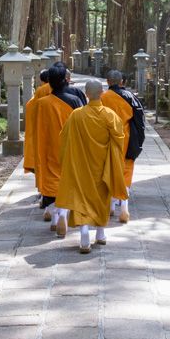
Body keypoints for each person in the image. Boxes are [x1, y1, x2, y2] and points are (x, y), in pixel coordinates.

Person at [56, 79, 128, 254]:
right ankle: (101, 234)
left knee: (82, 199)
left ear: (86, 94)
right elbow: (120, 139)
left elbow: (64, 139)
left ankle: (84, 234)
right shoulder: (110, 115)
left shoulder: (76, 115)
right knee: (102, 199)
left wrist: (69, 158)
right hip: (103, 167)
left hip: (81, 167)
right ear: (102, 93)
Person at [31, 63, 84, 235]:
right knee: (68, 181)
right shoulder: (75, 101)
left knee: (52, 183)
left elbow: (36, 130)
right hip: (69, 148)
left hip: (48, 149)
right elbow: (81, 127)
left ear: (50, 83)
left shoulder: (42, 103)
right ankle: (63, 213)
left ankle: (55, 216)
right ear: (65, 81)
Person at [99, 70, 145, 223]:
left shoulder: (102, 97)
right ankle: (124, 207)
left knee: (108, 170)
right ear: (122, 82)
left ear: (107, 81)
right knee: (125, 169)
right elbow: (140, 123)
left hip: (106, 140)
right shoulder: (131, 98)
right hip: (126, 139)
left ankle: (110, 206)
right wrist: (139, 142)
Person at [23, 69, 53, 220]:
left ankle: (45, 195)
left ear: (41, 80)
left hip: (42, 130)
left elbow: (33, 107)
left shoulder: (41, 91)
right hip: (55, 131)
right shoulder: (53, 89)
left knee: (42, 164)